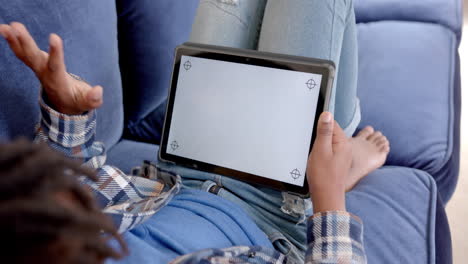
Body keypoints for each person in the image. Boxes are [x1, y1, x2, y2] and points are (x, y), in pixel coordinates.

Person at [0, 0, 391, 263]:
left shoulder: (46, 234)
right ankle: (341, 147)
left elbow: (68, 191)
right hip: (273, 205)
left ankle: (338, 145)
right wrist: (329, 201)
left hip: (185, 168)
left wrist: (65, 109)